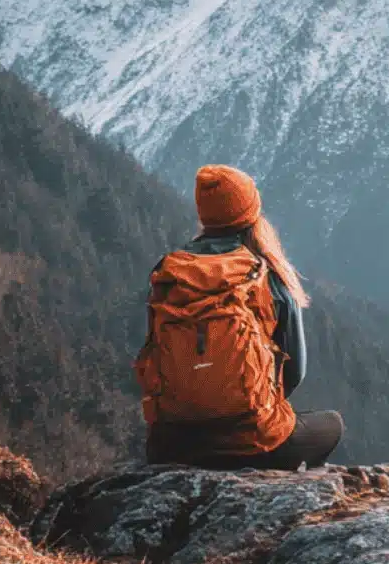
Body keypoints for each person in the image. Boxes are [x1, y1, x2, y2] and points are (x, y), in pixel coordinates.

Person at [135, 164, 344, 469]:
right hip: (254, 442)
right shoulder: (266, 275)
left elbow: (156, 353)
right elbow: (294, 372)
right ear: (251, 214)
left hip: (173, 445)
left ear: (203, 215)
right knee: (331, 424)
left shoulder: (169, 272)